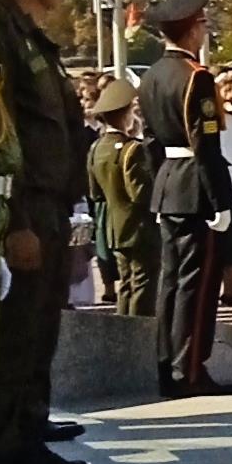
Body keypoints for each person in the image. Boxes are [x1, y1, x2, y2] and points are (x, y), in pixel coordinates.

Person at [0, 0, 92, 464]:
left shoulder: (29, 33)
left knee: (36, 335)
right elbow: (2, 133)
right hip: (23, 210)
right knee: (13, 342)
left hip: (50, 205)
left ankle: (24, 443)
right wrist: (17, 222)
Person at [140, 0, 232, 405]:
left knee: (171, 283)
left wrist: (158, 184)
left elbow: (147, 141)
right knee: (197, 287)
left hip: (168, 184)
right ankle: (190, 368)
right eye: (202, 24)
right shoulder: (195, 78)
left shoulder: (151, 76)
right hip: (196, 188)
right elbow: (207, 145)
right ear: (192, 30)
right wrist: (221, 200)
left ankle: (168, 365)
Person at [86, 79, 155, 319]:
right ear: (125, 115)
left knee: (126, 284)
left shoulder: (96, 148)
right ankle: (139, 333)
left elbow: (96, 193)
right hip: (139, 228)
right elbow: (141, 194)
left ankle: (123, 330)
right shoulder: (132, 149)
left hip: (114, 227)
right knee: (143, 286)